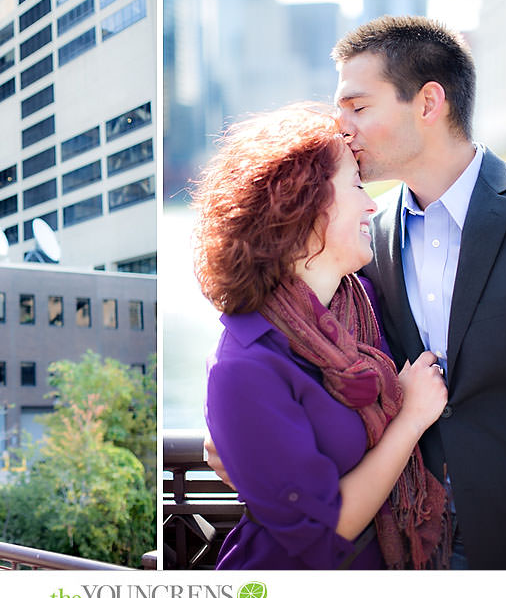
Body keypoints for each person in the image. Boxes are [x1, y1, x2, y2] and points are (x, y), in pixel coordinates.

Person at [208, 15, 506, 569]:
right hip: (403, 546)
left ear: (429, 103)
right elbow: (290, 336)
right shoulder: (363, 238)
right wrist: (238, 436)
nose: (343, 129)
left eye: (358, 108)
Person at [194, 103, 452, 570]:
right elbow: (322, 534)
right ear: (304, 203)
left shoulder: (365, 303)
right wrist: (410, 419)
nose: (373, 203)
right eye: (355, 184)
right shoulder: (245, 365)